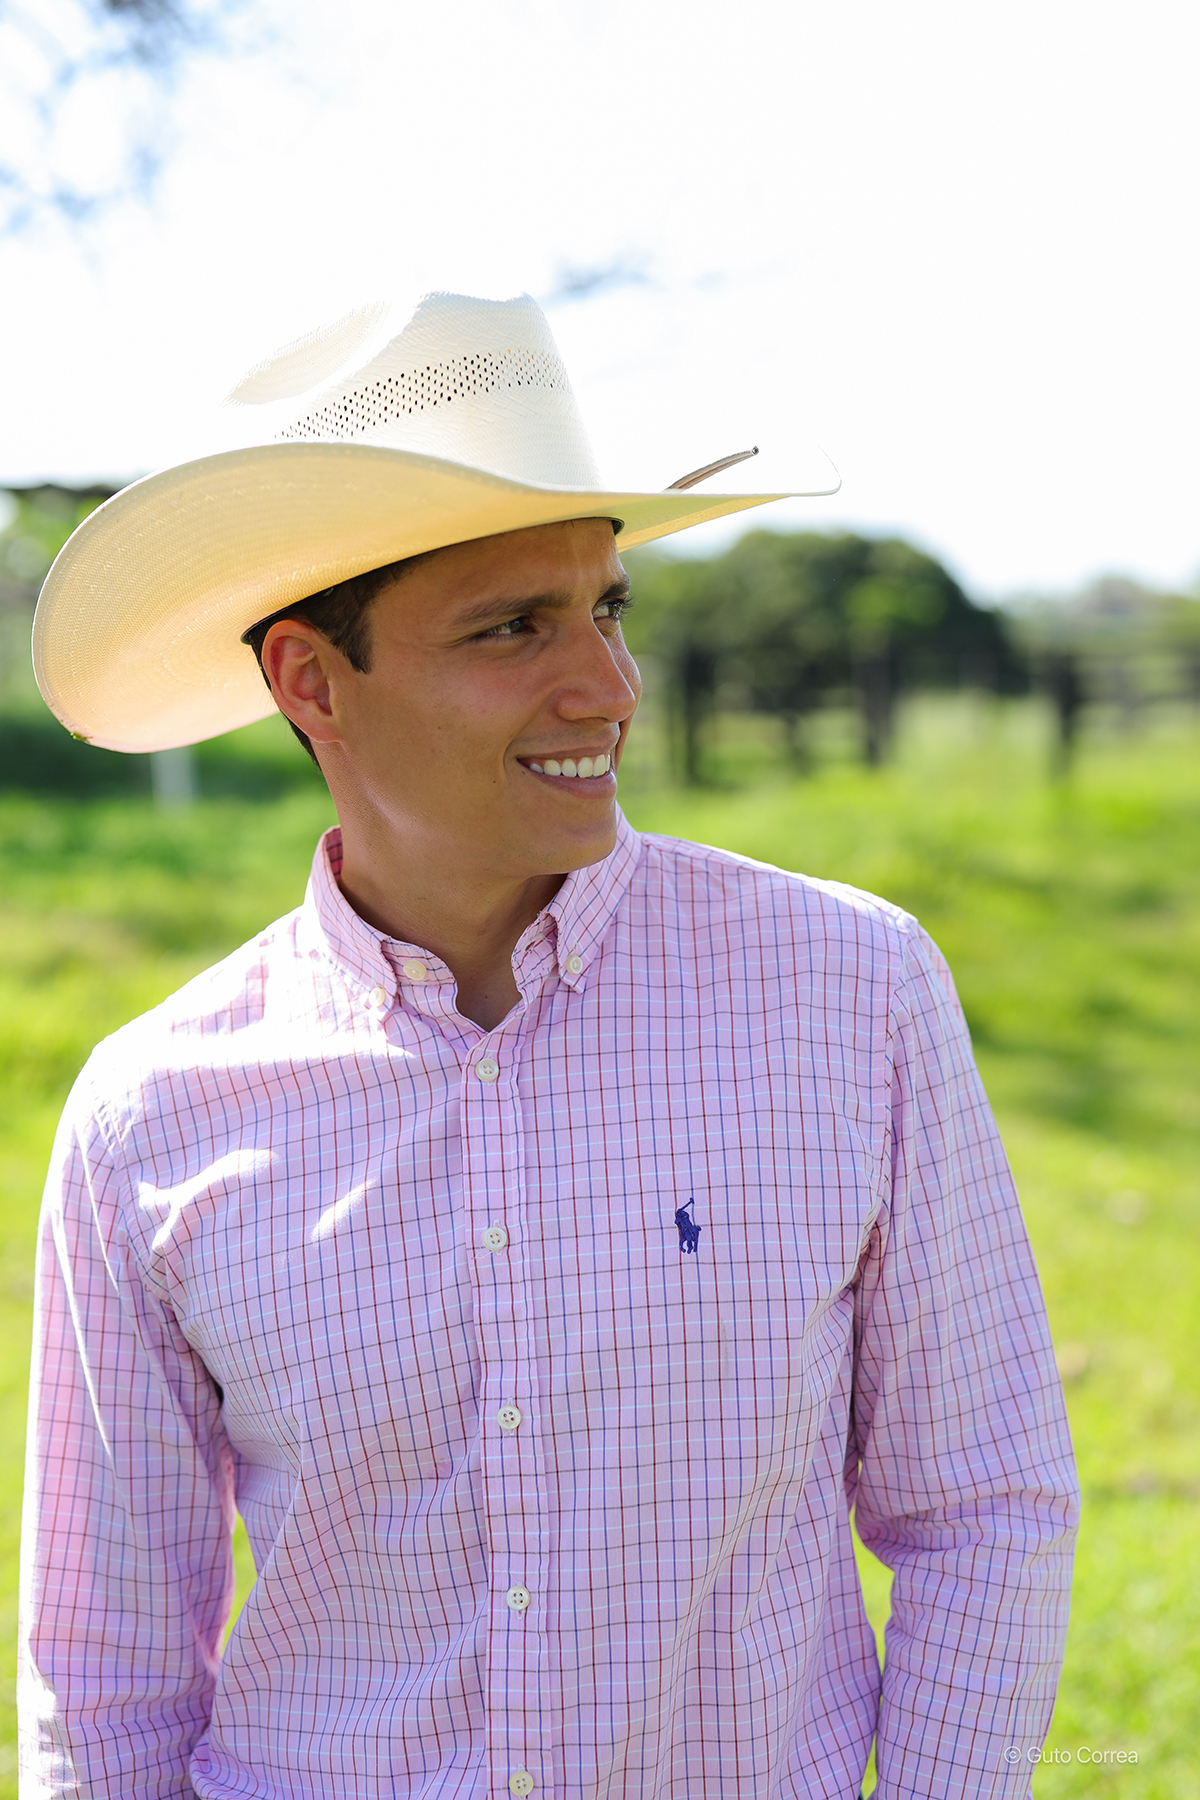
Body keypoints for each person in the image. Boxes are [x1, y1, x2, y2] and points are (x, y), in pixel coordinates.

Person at [21, 291, 1078, 1799]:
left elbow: (984, 1509)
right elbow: (107, 1670)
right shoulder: (152, 1115)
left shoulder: (849, 992)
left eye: (607, 609)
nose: (609, 688)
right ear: (311, 680)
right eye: (513, 626)